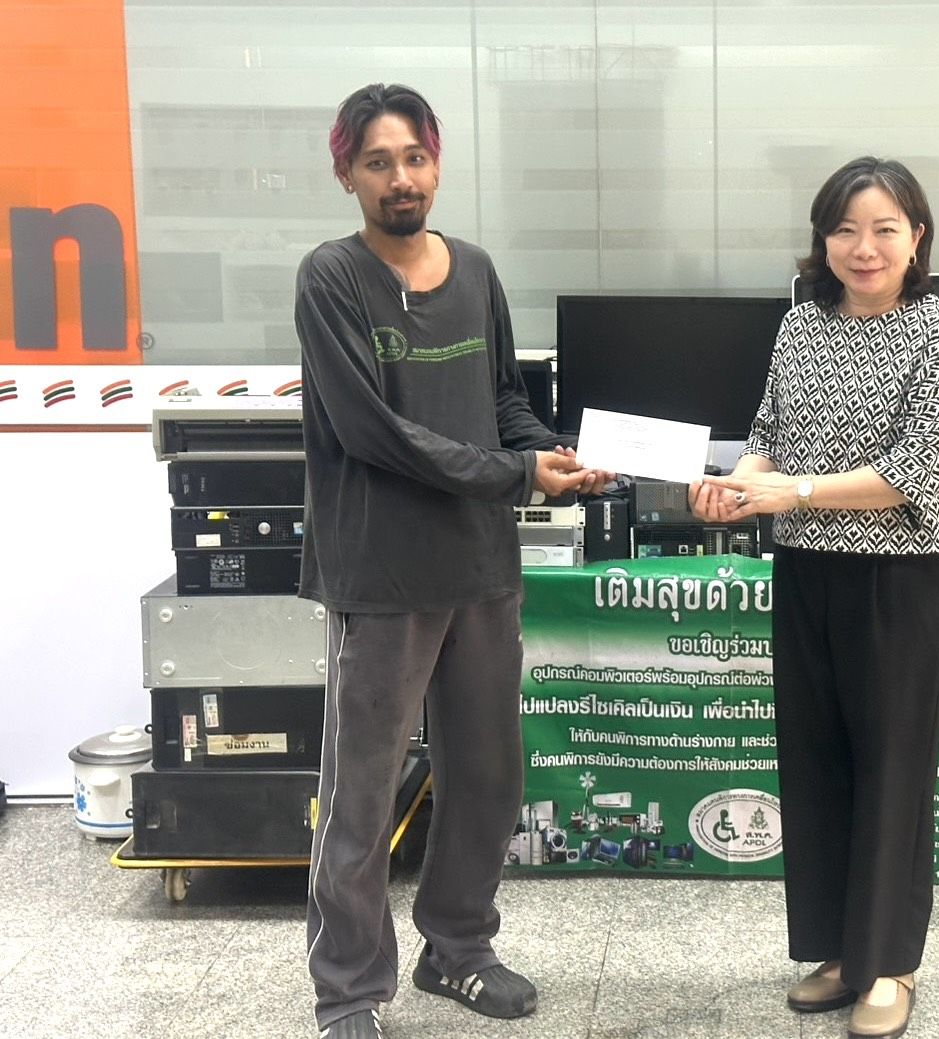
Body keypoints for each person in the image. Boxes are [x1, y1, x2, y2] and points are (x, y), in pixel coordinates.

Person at [294, 83, 609, 1039]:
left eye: (416, 158)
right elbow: (374, 434)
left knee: (487, 775)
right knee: (362, 792)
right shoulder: (330, 277)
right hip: (382, 572)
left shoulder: (473, 269)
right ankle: (349, 990)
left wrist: (550, 451)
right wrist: (518, 473)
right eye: (378, 162)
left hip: (479, 565)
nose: (401, 178)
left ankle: (457, 948)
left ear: (437, 163)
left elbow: (502, 398)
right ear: (346, 173)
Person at [691, 156, 939, 1039]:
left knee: (893, 770)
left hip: (898, 578)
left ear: (916, 237)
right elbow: (768, 433)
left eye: (884, 229)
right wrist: (736, 485)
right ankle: (843, 950)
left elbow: (914, 469)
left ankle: (892, 962)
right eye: (846, 230)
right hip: (806, 570)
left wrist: (797, 492)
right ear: (823, 239)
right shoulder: (801, 324)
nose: (864, 247)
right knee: (817, 766)